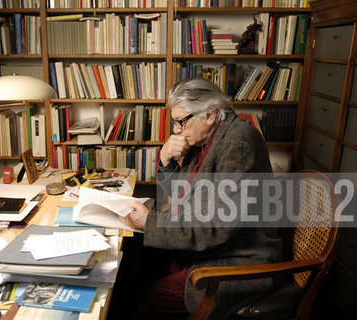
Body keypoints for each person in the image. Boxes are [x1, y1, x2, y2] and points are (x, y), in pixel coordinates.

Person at [109, 77, 282, 320]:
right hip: (208, 246)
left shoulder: (238, 143)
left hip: (237, 259)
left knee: (146, 299)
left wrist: (150, 222)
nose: (177, 130)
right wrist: (166, 161)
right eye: (174, 123)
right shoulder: (207, 137)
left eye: (181, 122)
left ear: (210, 114)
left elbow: (215, 227)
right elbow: (184, 196)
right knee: (127, 260)